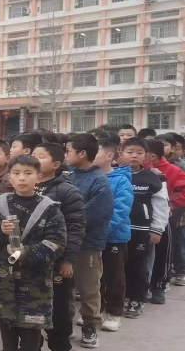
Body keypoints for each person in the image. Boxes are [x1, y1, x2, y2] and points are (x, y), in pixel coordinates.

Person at [0, 154, 67, 351]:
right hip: (2, 281)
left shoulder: (49, 209)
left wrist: (26, 253)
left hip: (35, 282)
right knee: (7, 332)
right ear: (9, 177)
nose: (22, 178)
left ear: (39, 177)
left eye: (28, 173)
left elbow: (56, 242)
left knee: (30, 332)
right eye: (16, 173)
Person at [32, 143, 85, 351]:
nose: (35, 159)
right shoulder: (23, 186)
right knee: (30, 307)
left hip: (55, 262)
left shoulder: (66, 190)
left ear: (55, 164)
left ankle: (59, 343)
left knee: (58, 308)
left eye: (41, 156)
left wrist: (67, 259)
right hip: (30, 260)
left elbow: (76, 227)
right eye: (33, 155)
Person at [65, 133, 114, 348]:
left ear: (82, 153)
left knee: (88, 288)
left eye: (68, 151)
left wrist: (66, 224)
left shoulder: (99, 180)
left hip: (87, 245)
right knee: (63, 287)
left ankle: (89, 326)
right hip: (65, 241)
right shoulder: (68, 176)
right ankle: (64, 325)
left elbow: (93, 215)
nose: (66, 154)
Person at [120, 138, 168, 319]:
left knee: (138, 267)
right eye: (130, 152)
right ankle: (121, 298)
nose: (134, 156)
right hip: (117, 230)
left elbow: (162, 206)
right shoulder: (115, 174)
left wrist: (156, 229)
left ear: (146, 156)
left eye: (139, 152)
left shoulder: (152, 178)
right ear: (121, 152)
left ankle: (136, 300)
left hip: (140, 231)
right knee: (118, 267)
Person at [95, 139, 134, 332]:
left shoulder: (121, 180)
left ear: (109, 156)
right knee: (96, 277)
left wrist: (103, 231)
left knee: (114, 276)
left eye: (95, 152)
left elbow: (121, 211)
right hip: (93, 238)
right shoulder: (90, 177)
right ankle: (98, 310)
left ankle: (114, 312)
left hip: (114, 237)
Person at [145, 139, 185, 304]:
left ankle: (158, 287)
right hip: (140, 219)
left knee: (162, 254)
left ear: (152, 156)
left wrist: (172, 206)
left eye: (141, 153)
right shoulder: (138, 171)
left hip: (163, 218)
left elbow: (183, 192)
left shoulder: (173, 171)